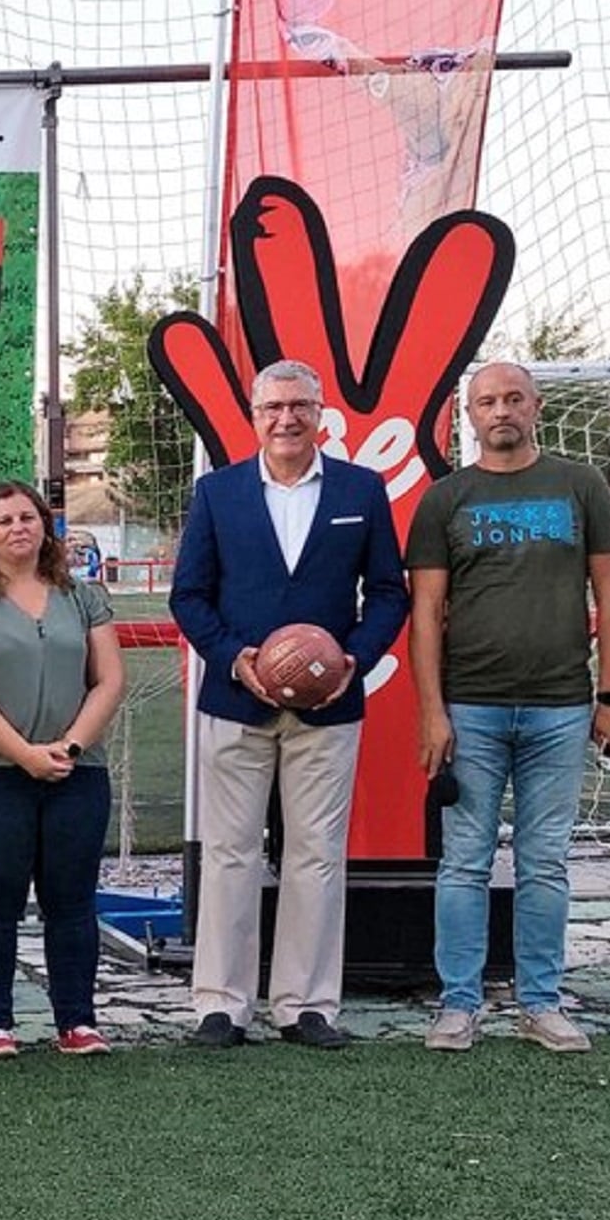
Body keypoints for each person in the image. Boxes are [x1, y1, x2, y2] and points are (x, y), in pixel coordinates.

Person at [169, 358, 410, 1049]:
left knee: (317, 854)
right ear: (254, 415)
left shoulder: (362, 489)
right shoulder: (218, 493)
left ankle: (306, 1005)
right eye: (273, 407)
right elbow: (189, 596)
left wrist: (352, 660)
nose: (286, 418)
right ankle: (222, 1004)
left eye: (299, 406)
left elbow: (388, 592)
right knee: (230, 854)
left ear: (321, 412)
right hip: (235, 701)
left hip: (329, 707)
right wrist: (235, 658)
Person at [409, 362, 610, 1053]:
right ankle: (459, 1003)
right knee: (464, 862)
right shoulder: (446, 499)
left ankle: (541, 1001)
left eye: (513, 398)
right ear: (469, 415)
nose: (501, 410)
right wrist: (432, 710)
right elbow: (425, 614)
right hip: (472, 707)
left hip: (562, 708)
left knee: (545, 861)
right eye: (487, 401)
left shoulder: (581, 485)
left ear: (536, 405)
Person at [0, 482, 125, 1059]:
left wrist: (67, 748)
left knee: (72, 900)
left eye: (28, 517)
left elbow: (110, 679)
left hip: (76, 773)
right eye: (4, 521)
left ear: (46, 526)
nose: (18, 528)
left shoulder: (83, 597)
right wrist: (24, 754)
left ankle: (77, 1022)